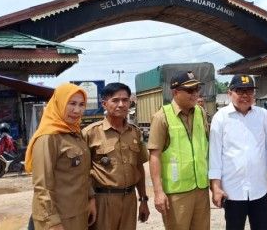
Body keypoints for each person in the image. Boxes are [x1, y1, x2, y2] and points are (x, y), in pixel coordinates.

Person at [209, 74, 267, 230]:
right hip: (232, 191)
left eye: (249, 91)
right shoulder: (220, 118)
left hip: (259, 189)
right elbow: (214, 156)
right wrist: (216, 187)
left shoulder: (263, 115)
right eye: (240, 91)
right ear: (230, 93)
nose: (245, 95)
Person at [25, 83, 96, 230]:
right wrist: (52, 221)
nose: (77, 110)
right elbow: (42, 186)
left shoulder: (76, 134)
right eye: (72, 103)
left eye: (81, 104)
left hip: (78, 213)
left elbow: (83, 173)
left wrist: (91, 199)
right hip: (57, 218)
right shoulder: (48, 137)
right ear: (59, 103)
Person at [82, 82, 150, 229]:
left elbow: (139, 168)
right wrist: (90, 199)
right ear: (104, 104)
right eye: (115, 100)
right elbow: (83, 173)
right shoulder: (90, 133)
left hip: (129, 199)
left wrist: (143, 199)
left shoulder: (135, 132)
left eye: (125, 100)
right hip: (103, 200)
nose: (121, 104)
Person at [147, 71, 210, 230]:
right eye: (190, 90)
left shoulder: (200, 113)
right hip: (176, 193)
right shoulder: (162, 117)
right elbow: (154, 156)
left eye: (197, 89)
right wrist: (158, 192)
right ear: (175, 92)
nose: (195, 94)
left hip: (201, 189)